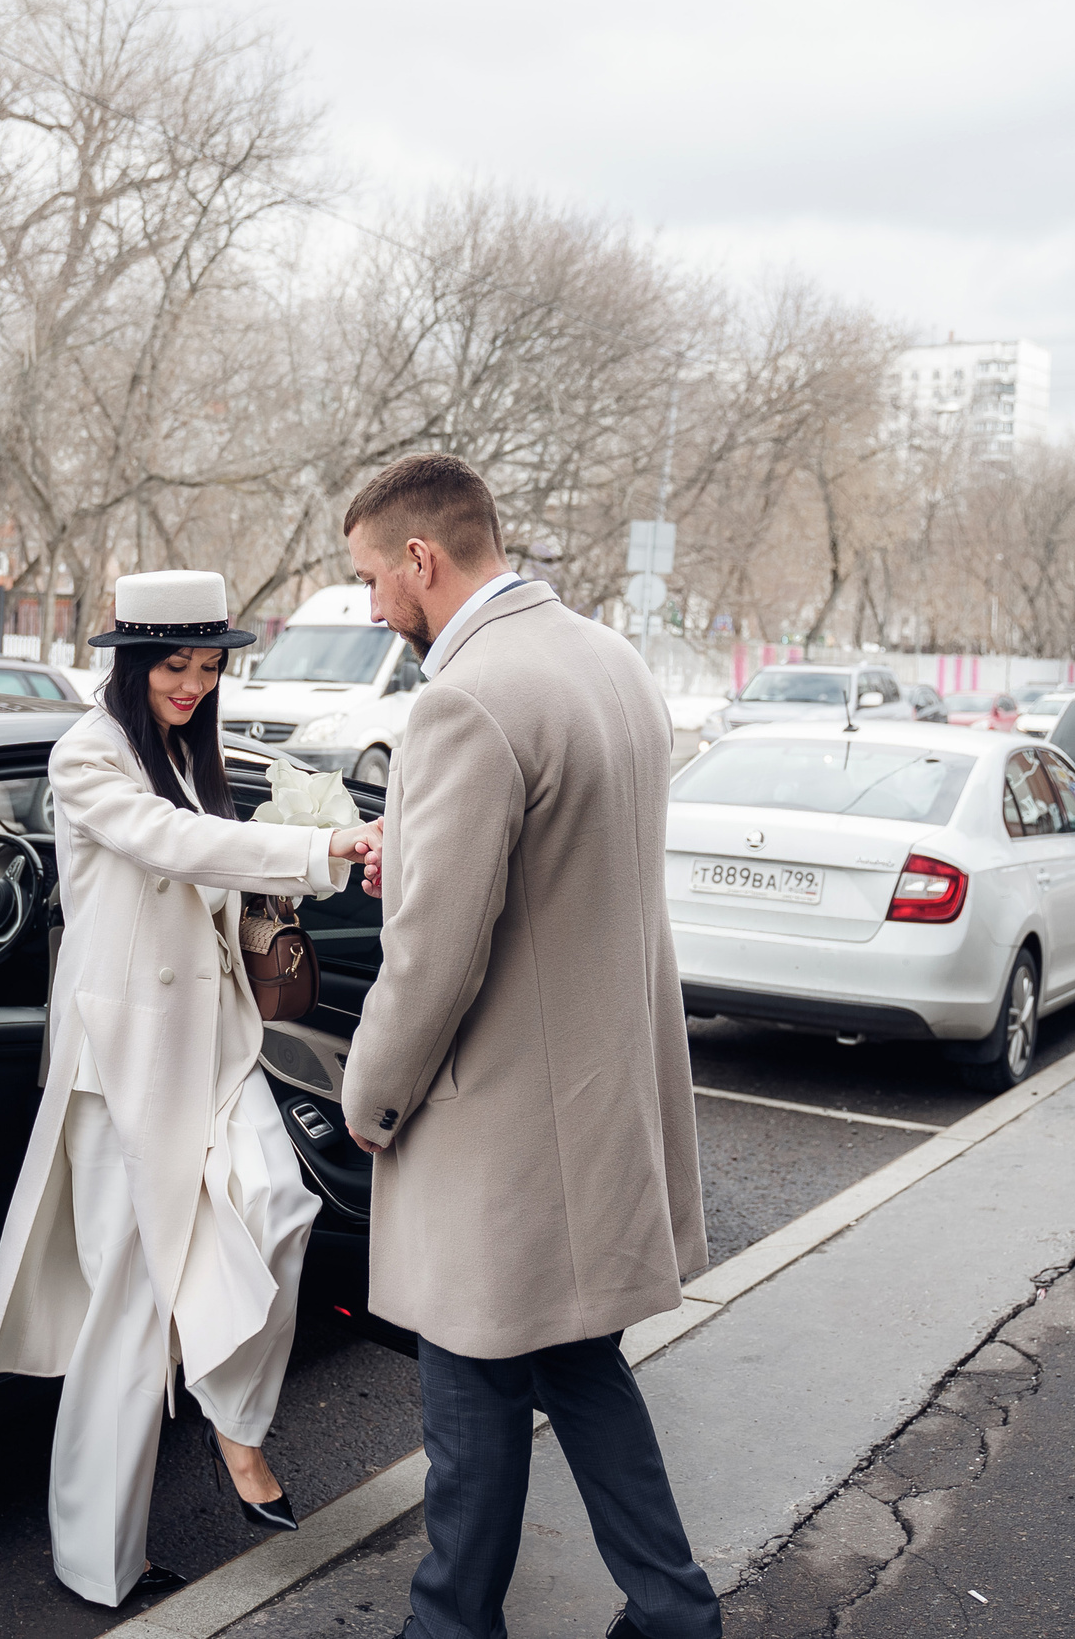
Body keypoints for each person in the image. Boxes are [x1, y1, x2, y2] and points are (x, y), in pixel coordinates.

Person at [338, 455, 719, 1639]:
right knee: (577, 1367)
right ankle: (672, 1613)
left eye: (369, 579)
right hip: (597, 1100)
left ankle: (450, 1629)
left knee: (468, 1390)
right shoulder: (608, 661)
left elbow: (433, 957)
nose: (368, 609)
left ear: (421, 559)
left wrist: (371, 1097)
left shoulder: (464, 700)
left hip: (499, 1126)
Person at [0, 569, 373, 1607]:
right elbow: (177, 844)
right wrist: (319, 844)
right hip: (126, 1066)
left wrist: (294, 859)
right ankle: (97, 1561)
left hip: (219, 1040)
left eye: (208, 667)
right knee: (129, 1314)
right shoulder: (88, 753)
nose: (192, 685)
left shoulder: (186, 751)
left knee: (281, 1203)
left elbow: (211, 859)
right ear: (130, 659)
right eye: (174, 666)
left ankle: (236, 1424)